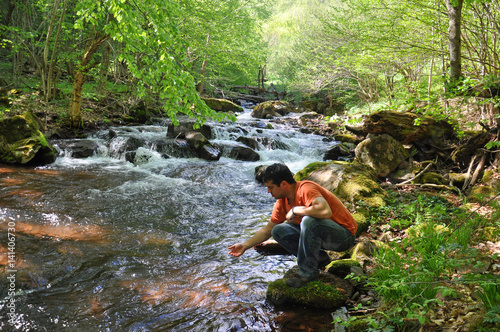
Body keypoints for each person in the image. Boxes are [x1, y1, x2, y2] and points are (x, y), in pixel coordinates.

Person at [228, 163, 357, 288]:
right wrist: (244, 245)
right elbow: (267, 230)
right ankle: (319, 260)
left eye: (271, 187)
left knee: (309, 221)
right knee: (278, 230)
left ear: (283, 184)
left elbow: (325, 211)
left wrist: (295, 210)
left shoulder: (306, 189)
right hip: (323, 237)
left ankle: (307, 273)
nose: (268, 191)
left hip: (344, 237)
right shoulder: (282, 202)